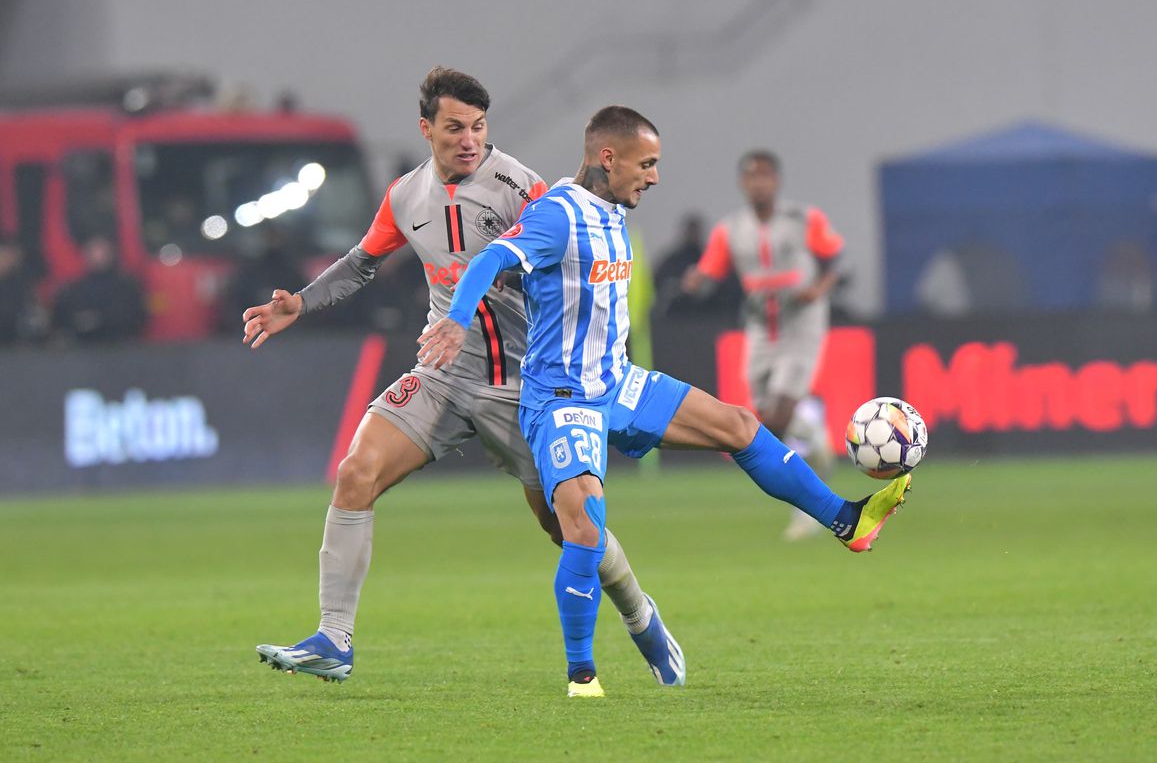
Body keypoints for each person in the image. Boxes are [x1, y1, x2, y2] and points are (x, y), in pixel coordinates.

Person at [419, 106, 912, 698]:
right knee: (585, 527)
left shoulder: (614, 213)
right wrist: (455, 318)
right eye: (646, 164)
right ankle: (585, 673)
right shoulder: (559, 213)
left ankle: (845, 521)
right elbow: (493, 258)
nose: (654, 178)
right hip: (562, 397)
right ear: (609, 157)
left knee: (739, 424)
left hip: (619, 382)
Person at [242, 68, 681, 687]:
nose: (469, 139)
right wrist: (301, 304)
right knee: (355, 473)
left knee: (570, 525)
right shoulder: (404, 197)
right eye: (455, 127)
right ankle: (334, 639)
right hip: (445, 375)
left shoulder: (522, 189)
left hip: (526, 385)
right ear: (426, 129)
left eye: (478, 126)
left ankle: (641, 616)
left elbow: (573, 259)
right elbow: (362, 263)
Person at [683, 151, 841, 540]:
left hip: (801, 324)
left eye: (766, 176)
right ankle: (814, 435)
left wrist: (818, 289)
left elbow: (836, 258)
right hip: (759, 326)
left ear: (777, 181)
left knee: (780, 416)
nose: (759, 183)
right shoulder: (731, 229)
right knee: (765, 419)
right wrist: (696, 280)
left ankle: (808, 506)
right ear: (742, 183)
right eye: (752, 177)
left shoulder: (804, 219)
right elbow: (710, 270)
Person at [52, 235, 146, 343]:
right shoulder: (74, 289)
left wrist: (100, 321)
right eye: (93, 251)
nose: (98, 256)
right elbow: (63, 318)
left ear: (111, 254)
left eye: (101, 251)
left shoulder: (127, 286)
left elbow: (135, 317)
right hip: (83, 348)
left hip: (120, 346)